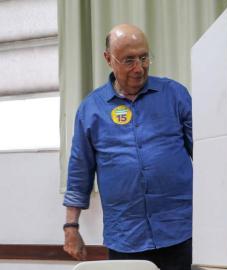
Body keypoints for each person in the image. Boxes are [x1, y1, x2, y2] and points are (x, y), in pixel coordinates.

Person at [62, 24, 193, 270]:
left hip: (181, 229)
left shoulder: (174, 95)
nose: (139, 67)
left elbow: (207, 153)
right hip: (126, 236)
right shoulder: (91, 109)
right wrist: (71, 227)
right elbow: (79, 171)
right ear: (108, 59)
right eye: (129, 60)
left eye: (144, 57)